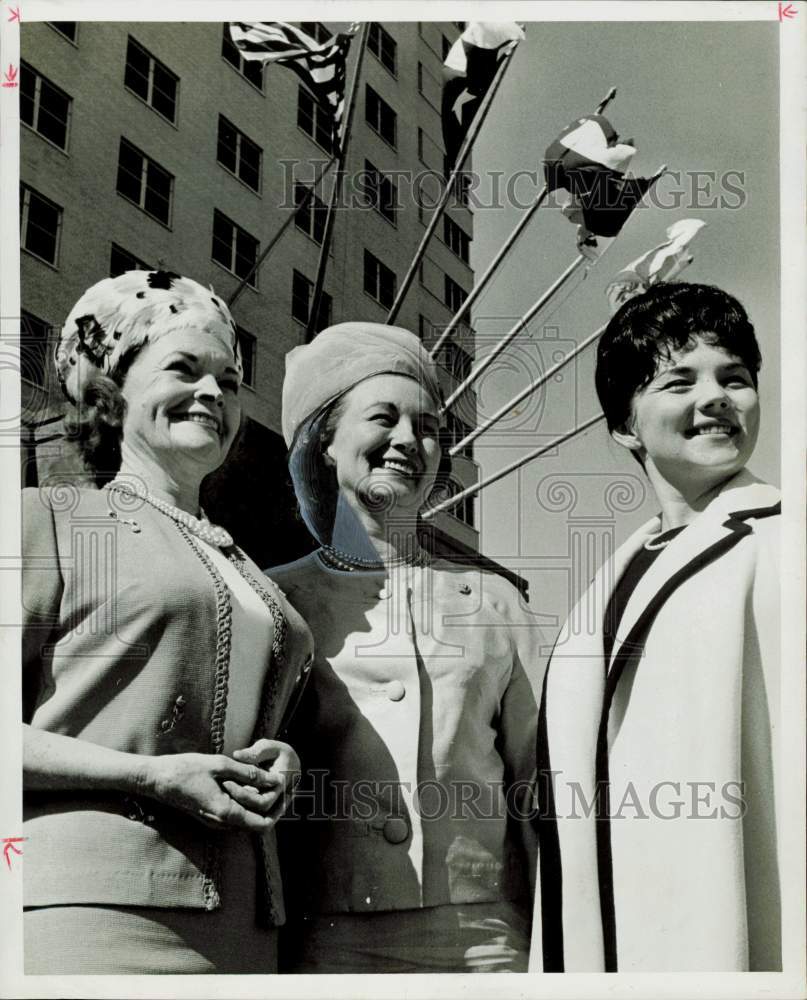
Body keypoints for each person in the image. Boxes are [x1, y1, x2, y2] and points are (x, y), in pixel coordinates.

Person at [22, 270, 313, 974]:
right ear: (113, 393)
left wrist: (283, 762)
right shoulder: (48, 520)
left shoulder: (244, 565)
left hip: (247, 923)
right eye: (183, 368)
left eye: (229, 380)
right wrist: (150, 775)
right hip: (94, 911)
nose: (213, 392)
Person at [267, 322, 543, 973]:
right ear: (325, 442)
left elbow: (539, 790)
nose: (407, 441)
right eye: (382, 418)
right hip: (329, 941)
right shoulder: (274, 599)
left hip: (483, 941)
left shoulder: (495, 601)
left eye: (425, 427)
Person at [533, 282, 781, 972]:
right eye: (678, 381)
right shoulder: (600, 586)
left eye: (734, 377)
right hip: (614, 933)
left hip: (737, 926)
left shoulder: (782, 546)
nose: (716, 398)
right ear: (623, 425)